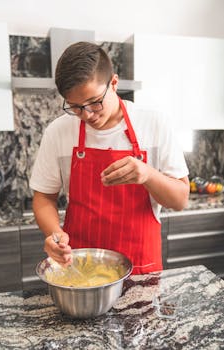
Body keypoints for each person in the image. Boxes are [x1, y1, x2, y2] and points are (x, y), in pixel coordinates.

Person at [30, 41, 189, 274]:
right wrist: (54, 234)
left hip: (140, 268)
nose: (87, 115)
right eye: (75, 107)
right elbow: (43, 197)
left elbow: (180, 200)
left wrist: (148, 174)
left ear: (114, 83)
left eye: (94, 102)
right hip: (80, 268)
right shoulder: (58, 131)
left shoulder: (154, 123)